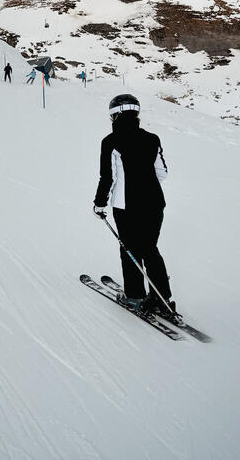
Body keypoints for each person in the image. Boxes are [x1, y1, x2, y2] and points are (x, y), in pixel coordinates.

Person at [92, 94, 176, 316]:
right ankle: (162, 300)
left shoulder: (110, 142)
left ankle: (135, 296)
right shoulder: (152, 139)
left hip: (126, 207)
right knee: (150, 249)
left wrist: (99, 204)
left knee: (129, 249)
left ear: (116, 115)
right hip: (155, 204)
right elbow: (163, 172)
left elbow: (107, 178)